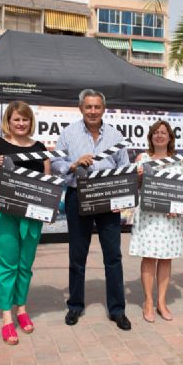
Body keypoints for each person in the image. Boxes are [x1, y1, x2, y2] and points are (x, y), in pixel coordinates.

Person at [51, 88, 132, 331]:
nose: (93, 111)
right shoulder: (69, 133)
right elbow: (55, 163)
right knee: (77, 255)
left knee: (113, 256)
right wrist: (73, 164)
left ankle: (117, 310)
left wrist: (121, 199)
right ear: (81, 108)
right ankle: (75, 305)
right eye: (88, 107)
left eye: (97, 107)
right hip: (78, 196)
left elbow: (124, 167)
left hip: (108, 200)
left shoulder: (116, 135)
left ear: (104, 109)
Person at [0, 101, 49, 345]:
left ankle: (22, 308)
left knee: (25, 264)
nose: (21, 123)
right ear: (8, 121)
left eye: (25, 119)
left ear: (31, 122)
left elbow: (47, 181)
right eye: (16, 119)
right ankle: (7, 316)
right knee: (6, 265)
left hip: (31, 214)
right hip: (2, 213)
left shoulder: (40, 148)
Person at [129, 120, 183, 322]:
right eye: (156, 132)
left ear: (170, 137)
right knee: (149, 257)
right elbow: (132, 186)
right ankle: (148, 301)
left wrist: (178, 207)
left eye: (163, 132)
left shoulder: (178, 162)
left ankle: (161, 302)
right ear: (151, 137)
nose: (159, 135)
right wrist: (137, 177)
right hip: (149, 216)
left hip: (170, 218)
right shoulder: (142, 158)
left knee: (165, 258)